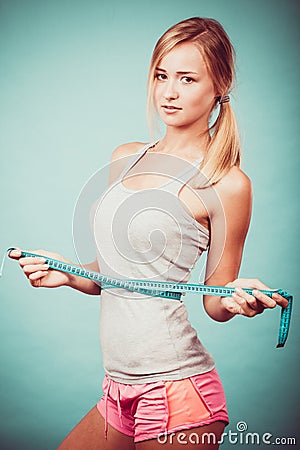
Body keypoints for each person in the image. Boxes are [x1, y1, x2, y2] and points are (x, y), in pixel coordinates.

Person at [9, 17, 288, 450]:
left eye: (187, 78)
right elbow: (112, 273)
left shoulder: (227, 184)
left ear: (219, 86)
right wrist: (65, 273)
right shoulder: (125, 157)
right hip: (117, 391)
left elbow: (214, 300)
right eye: (161, 75)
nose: (169, 91)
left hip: (180, 392)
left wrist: (237, 299)